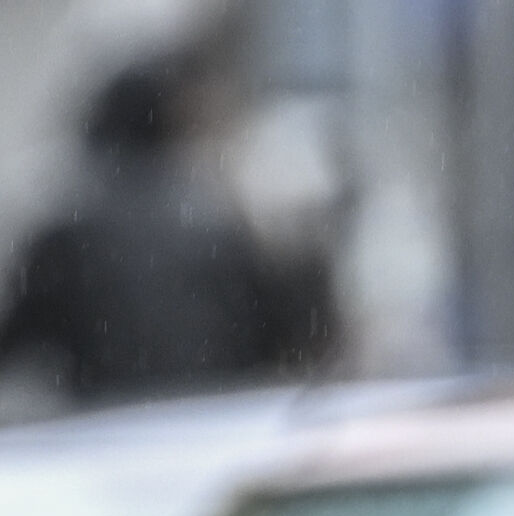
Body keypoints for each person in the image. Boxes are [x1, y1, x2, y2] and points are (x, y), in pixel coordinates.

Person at [0, 56, 335, 406]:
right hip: (212, 426)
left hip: (107, 431)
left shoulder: (65, 230)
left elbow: (16, 341)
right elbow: (288, 339)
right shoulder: (218, 222)